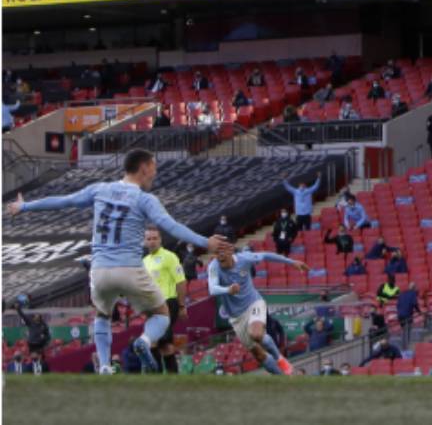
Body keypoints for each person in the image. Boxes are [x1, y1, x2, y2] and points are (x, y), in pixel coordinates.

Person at [5, 149, 229, 374]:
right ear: (143, 168)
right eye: (153, 167)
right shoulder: (144, 199)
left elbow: (65, 201)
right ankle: (144, 341)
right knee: (161, 315)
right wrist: (204, 242)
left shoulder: (100, 190)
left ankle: (103, 365)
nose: (155, 172)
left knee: (102, 316)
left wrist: (25, 206)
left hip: (100, 270)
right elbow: (171, 226)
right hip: (129, 268)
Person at [210, 244, 306, 375]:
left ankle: (280, 359)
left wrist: (291, 262)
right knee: (259, 355)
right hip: (236, 317)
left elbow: (266, 255)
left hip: (253, 303)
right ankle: (283, 378)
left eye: (222, 251)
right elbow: (212, 288)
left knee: (256, 334)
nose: (219, 255)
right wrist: (228, 289)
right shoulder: (214, 266)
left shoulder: (245, 259)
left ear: (231, 251)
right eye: (216, 253)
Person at [142, 226, 187, 373]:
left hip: (168, 303)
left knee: (153, 342)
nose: (152, 241)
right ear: (145, 241)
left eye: (155, 238)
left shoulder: (169, 256)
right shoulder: (144, 261)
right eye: (149, 239)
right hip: (152, 307)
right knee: (165, 345)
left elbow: (180, 281)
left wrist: (181, 306)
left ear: (160, 240)